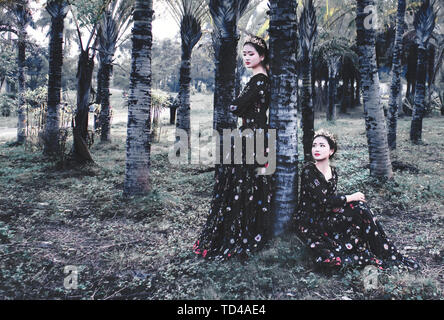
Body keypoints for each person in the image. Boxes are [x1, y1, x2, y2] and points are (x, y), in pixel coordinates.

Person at [193, 35, 274, 261]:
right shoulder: (264, 79)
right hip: (259, 134)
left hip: (251, 135)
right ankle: (254, 232)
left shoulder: (258, 80)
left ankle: (240, 233)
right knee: (253, 184)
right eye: (245, 54)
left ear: (262, 56)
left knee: (242, 185)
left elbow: (236, 107)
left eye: (251, 54)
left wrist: (236, 102)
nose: (247, 58)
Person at [293, 129, 420, 271]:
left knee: (359, 207)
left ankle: (387, 253)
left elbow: (332, 201)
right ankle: (382, 253)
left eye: (322, 145)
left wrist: (350, 202)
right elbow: (324, 201)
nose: (316, 149)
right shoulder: (308, 171)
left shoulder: (333, 172)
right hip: (311, 221)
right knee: (331, 258)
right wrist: (350, 197)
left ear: (331, 151)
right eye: (314, 145)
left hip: (326, 215)